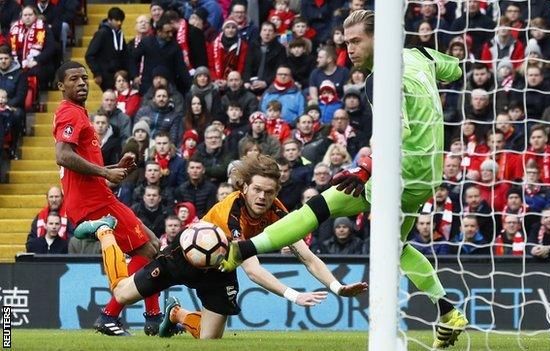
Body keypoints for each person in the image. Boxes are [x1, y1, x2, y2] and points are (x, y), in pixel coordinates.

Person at [219, 10, 468, 348]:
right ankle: (448, 310)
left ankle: (242, 250)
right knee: (397, 246)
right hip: (427, 175)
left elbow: (399, 130)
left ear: (380, 37)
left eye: (356, 40)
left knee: (317, 208)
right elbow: (454, 69)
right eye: (346, 42)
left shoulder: (381, 80)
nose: (349, 48)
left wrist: (366, 167)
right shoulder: (419, 55)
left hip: (400, 173)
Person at [72, 154, 366, 340]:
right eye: (257, 189)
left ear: (276, 191)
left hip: (220, 270)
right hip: (185, 255)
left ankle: (176, 315)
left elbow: (307, 256)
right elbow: (251, 269)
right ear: (244, 187)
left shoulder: (277, 212)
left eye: (269, 191)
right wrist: (293, 294)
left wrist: (337, 287)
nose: (263, 196)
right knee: (122, 292)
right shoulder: (232, 213)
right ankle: (104, 231)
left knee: (210, 339)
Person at [53, 61, 162, 337]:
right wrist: (104, 172)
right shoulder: (70, 114)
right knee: (148, 251)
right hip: (95, 204)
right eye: (74, 79)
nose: (80, 83)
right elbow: (62, 155)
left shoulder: (79, 114)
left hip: (98, 196)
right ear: (60, 86)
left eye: (84, 78)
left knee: (153, 244)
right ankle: (111, 315)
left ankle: (153, 318)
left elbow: (80, 166)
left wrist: (115, 168)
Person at [85, 7, 129, 91]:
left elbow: (125, 55)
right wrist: (97, 73)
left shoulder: (120, 34)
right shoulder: (101, 33)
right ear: (109, 20)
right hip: (105, 76)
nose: (119, 23)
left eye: (121, 20)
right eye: (116, 20)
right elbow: (89, 55)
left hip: (119, 76)